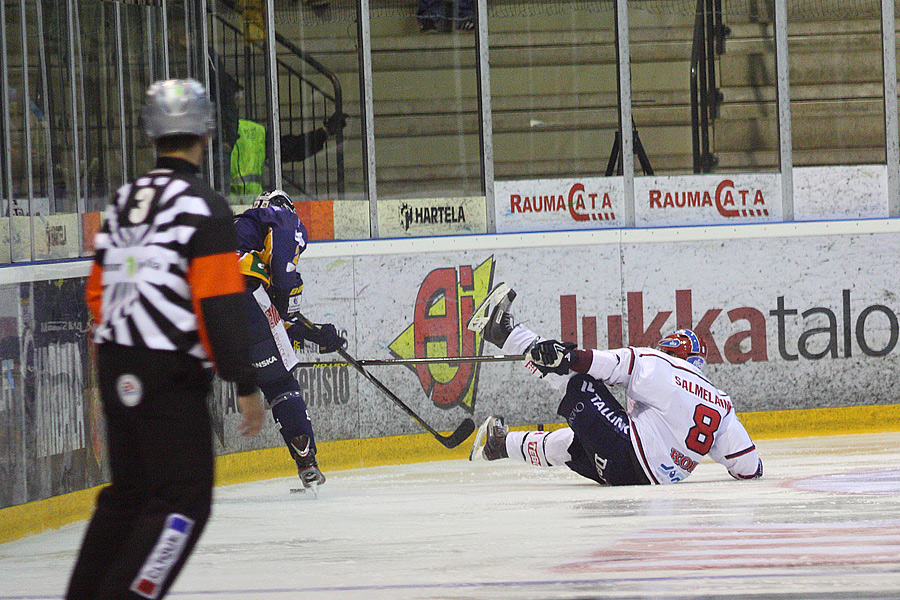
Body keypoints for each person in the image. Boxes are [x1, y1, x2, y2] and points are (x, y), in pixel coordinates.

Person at [70, 79, 265, 600]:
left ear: (151, 136)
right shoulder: (205, 206)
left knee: (128, 496)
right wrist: (244, 381)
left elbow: (98, 292)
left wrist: (124, 355)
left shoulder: (123, 199)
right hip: (169, 375)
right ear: (206, 131)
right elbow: (220, 304)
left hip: (116, 363)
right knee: (183, 504)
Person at [467, 283, 763, 486]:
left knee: (580, 382)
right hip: (635, 476)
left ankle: (504, 334)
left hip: (624, 452)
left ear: (672, 353)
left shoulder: (664, 366)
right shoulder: (721, 403)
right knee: (574, 444)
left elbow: (610, 366)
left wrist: (566, 357)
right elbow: (749, 466)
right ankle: (499, 445)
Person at [234, 188, 346, 492]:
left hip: (199, 308)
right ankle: (307, 462)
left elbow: (279, 320)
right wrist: (308, 331)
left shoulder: (239, 230)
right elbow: (282, 287)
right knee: (279, 382)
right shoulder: (283, 218)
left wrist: (313, 335)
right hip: (242, 298)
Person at [230, 112, 347, 197]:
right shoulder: (252, 131)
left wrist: (324, 132)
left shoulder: (253, 131)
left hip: (250, 208)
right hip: (226, 209)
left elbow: (292, 148)